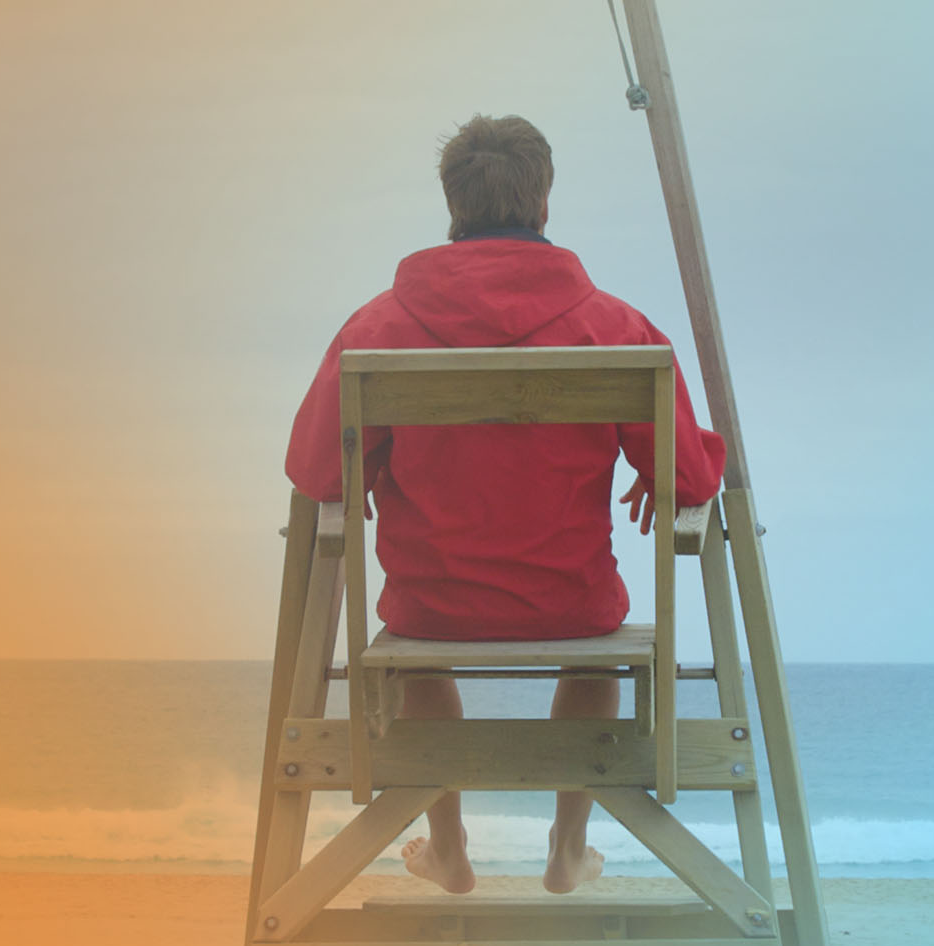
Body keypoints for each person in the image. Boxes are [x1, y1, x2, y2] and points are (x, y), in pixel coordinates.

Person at [285, 114, 725, 894]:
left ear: (452, 204)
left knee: (418, 631)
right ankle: (568, 843)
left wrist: (378, 463)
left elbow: (316, 472)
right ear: (543, 203)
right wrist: (662, 473)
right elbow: (693, 484)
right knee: (600, 630)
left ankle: (448, 846)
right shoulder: (616, 329)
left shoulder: (377, 329)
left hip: (431, 607)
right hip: (571, 604)